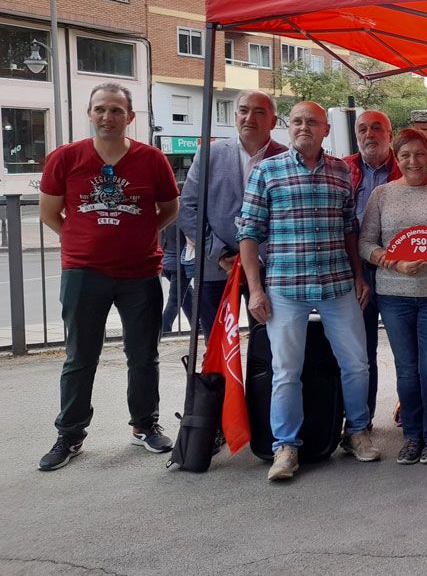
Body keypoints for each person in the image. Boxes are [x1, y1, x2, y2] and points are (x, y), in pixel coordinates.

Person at [37, 82, 180, 471]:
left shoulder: (152, 159)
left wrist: (141, 234)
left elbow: (169, 208)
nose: (108, 117)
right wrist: (81, 241)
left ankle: (145, 425)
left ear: (130, 117)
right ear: (89, 113)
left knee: (143, 355)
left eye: (116, 110)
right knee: (80, 357)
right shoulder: (65, 158)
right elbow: (49, 214)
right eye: (100, 109)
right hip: (84, 273)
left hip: (140, 272)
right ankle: (70, 433)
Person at [237, 101, 381, 481]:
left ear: (325, 130)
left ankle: (357, 432)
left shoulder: (339, 172)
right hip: (285, 287)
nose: (304, 127)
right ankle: (285, 447)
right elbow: (249, 234)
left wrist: (359, 276)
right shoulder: (267, 171)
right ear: (289, 128)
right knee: (286, 371)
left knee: (356, 363)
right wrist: (255, 290)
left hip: (337, 285)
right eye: (298, 121)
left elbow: (350, 228)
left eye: (312, 122)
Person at [359, 127, 427, 465]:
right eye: (405, 155)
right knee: (406, 369)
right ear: (396, 157)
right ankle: (412, 436)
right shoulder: (381, 195)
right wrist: (395, 263)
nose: (413, 161)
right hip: (393, 294)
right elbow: (365, 243)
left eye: (419, 154)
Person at [179, 90, 286, 338]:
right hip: (215, 268)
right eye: (244, 110)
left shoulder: (286, 158)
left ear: (272, 121)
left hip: (269, 270)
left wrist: (257, 257)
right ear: (235, 115)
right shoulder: (210, 154)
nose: (250, 118)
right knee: (216, 348)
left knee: (269, 348)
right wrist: (220, 253)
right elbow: (188, 208)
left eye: (260, 112)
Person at [345, 110, 403, 423]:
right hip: (358, 271)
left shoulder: (405, 166)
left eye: (377, 128)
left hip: (398, 271)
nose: (370, 135)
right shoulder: (344, 169)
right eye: (363, 129)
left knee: (405, 349)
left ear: (389, 135)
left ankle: (410, 410)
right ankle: (361, 422)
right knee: (361, 352)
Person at [160, 220, 195, 333]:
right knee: (175, 300)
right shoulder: (183, 219)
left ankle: (197, 323)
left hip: (167, 264)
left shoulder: (168, 220)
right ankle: (164, 328)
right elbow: (193, 241)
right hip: (180, 265)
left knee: (186, 294)